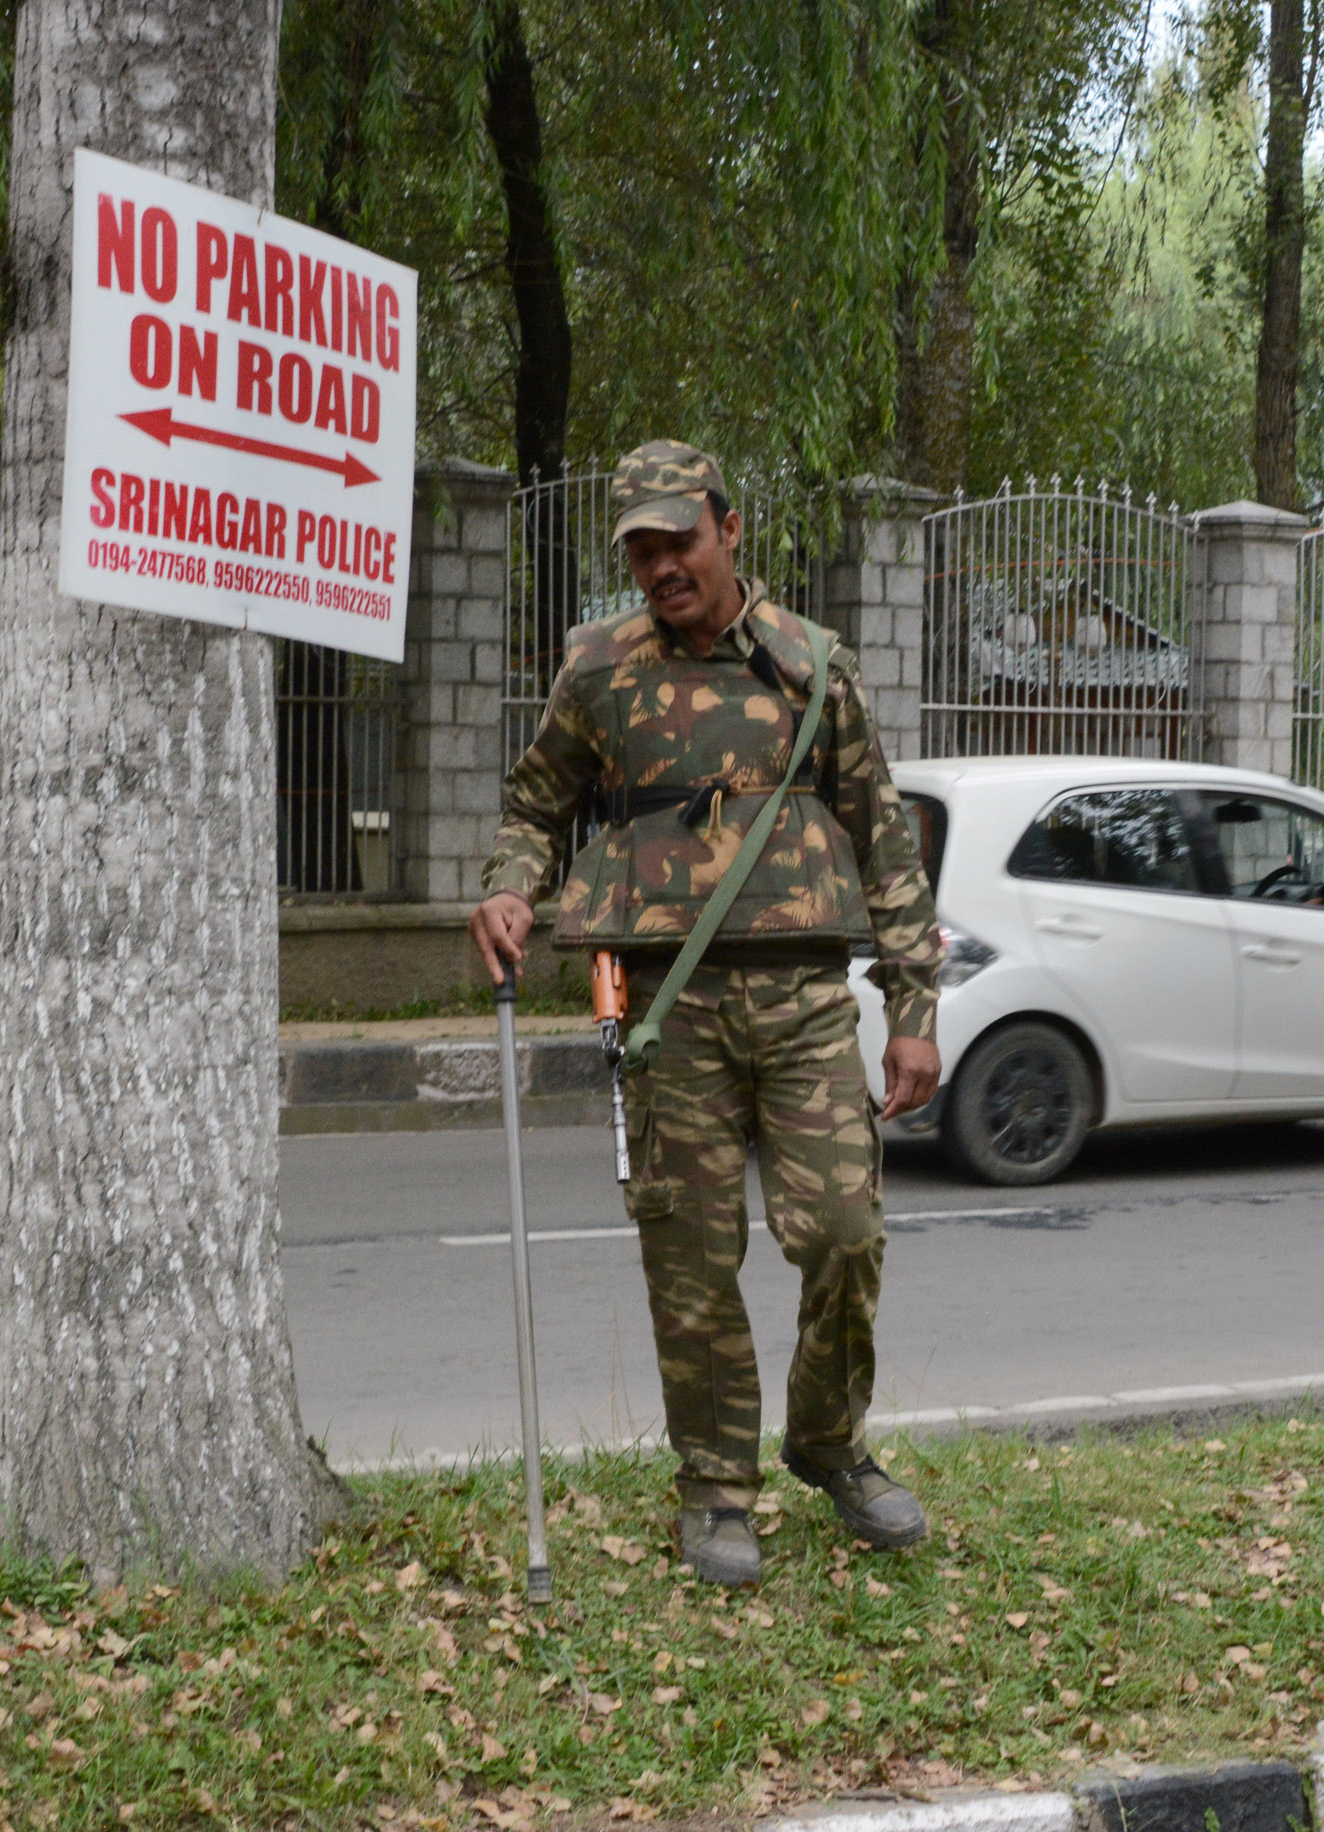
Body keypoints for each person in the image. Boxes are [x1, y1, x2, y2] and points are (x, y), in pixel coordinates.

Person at [469, 440, 944, 1586]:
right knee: (690, 1252)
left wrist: (914, 1005)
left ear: (731, 529)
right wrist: (507, 881)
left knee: (842, 1229)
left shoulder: (812, 667)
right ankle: (718, 1488)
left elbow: (885, 842)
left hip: (802, 1000)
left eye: (680, 538)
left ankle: (828, 1442)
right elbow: (536, 804)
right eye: (641, 547)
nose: (662, 564)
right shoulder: (597, 668)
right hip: (663, 1005)